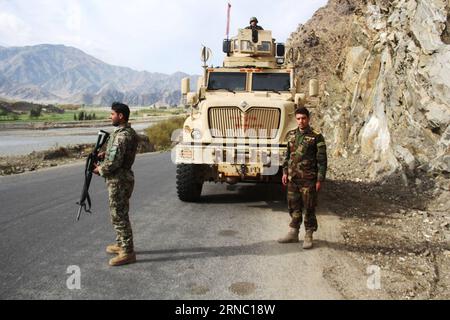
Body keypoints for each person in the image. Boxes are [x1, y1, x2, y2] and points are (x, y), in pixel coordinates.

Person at [93, 102, 139, 266]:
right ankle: (121, 244)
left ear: (120, 116)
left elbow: (114, 162)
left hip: (119, 180)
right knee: (119, 213)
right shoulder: (126, 132)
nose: (110, 117)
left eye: (112, 114)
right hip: (122, 178)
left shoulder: (122, 135)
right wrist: (105, 154)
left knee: (119, 215)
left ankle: (127, 252)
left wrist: (100, 169)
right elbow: (119, 153)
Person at [278, 107, 327, 249]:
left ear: (308, 119)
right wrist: (285, 172)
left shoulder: (316, 137)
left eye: (303, 118)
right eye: (298, 118)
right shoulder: (291, 135)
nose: (301, 121)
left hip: (308, 179)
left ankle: (308, 235)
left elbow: (322, 161)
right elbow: (287, 156)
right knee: (294, 205)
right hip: (293, 179)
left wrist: (319, 179)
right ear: (296, 119)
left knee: (309, 207)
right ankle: (293, 232)